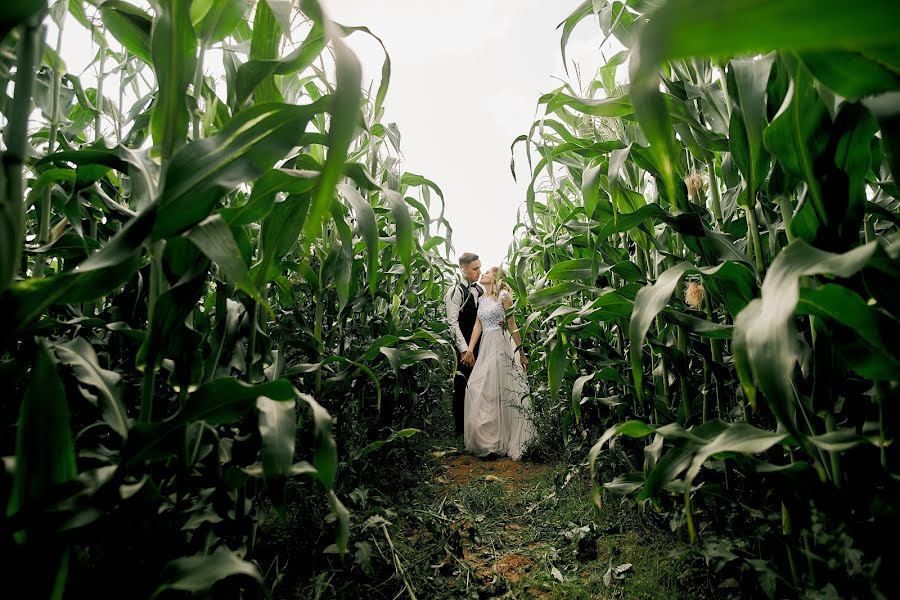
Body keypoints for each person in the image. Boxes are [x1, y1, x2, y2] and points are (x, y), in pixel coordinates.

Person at [462, 268, 535, 460]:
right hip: (486, 344)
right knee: (476, 387)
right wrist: (470, 349)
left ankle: (496, 443)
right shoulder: (482, 299)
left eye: (486, 271)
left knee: (496, 390)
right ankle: (488, 440)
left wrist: (521, 353)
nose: (483, 273)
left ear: (495, 277)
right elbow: (478, 325)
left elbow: (512, 324)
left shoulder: (504, 296)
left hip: (500, 344)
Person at [445, 252, 483, 436]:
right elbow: (452, 322)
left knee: (479, 385)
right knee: (461, 385)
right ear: (463, 269)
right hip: (464, 347)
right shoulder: (456, 291)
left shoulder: (480, 290)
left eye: (479, 268)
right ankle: (460, 430)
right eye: (475, 269)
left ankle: (476, 426)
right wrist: (464, 349)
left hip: (481, 345)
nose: (479, 272)